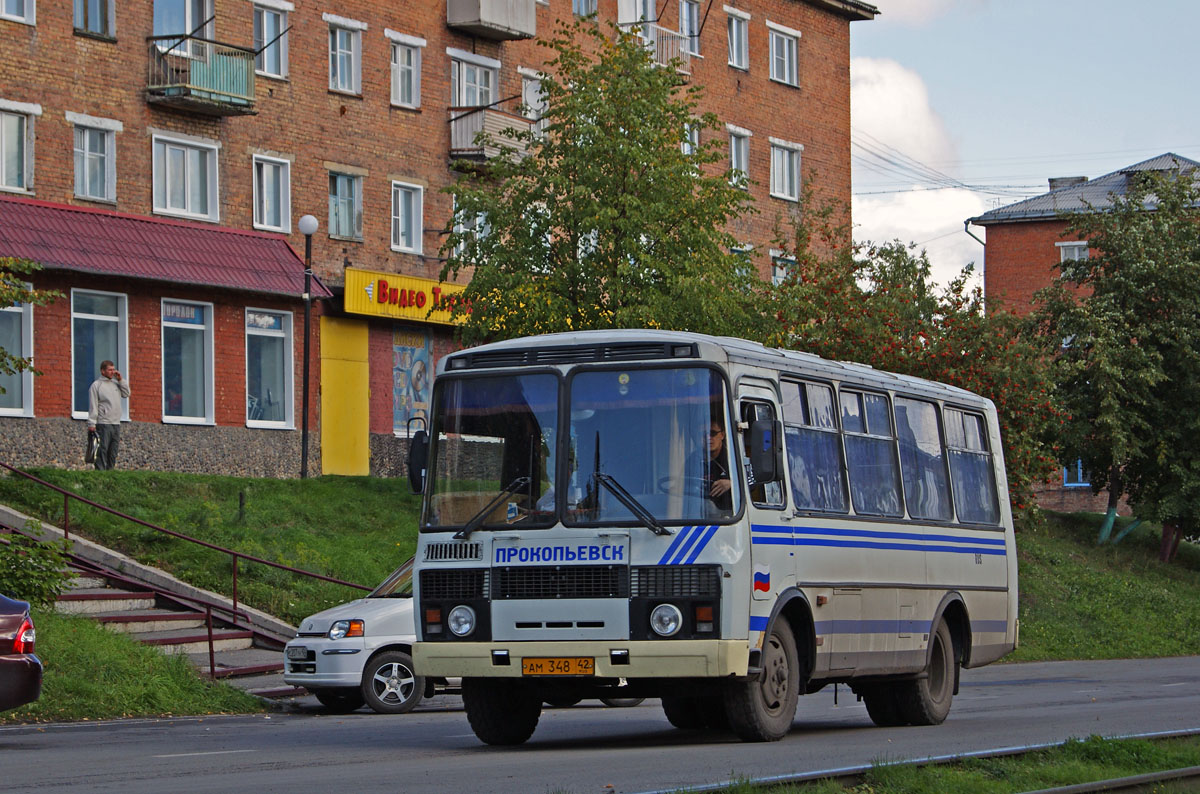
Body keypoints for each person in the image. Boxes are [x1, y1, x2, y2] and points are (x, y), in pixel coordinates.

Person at [88, 360, 130, 470]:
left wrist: (121, 380)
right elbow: (93, 405)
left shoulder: (116, 384)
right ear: (103, 371)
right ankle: (100, 472)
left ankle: (110, 472)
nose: (112, 372)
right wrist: (92, 423)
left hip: (116, 423)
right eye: (109, 370)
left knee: (113, 451)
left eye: (113, 369)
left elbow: (127, 393)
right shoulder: (96, 385)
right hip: (103, 422)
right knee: (102, 449)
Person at [701, 421, 733, 512]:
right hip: (700, 514)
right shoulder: (693, 460)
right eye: (703, 434)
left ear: (722, 435)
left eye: (713, 433)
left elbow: (754, 480)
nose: (708, 438)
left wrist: (732, 483)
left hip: (732, 515)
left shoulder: (734, 457)